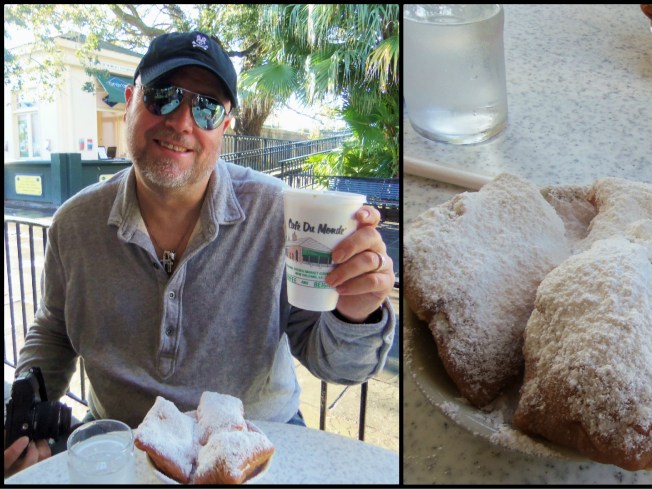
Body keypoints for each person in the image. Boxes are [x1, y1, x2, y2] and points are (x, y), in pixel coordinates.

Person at [13, 31, 396, 452]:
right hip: (122, 443)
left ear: (225, 127)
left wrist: (356, 314)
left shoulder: (277, 214)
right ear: (130, 101)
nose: (181, 121)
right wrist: (23, 419)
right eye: (163, 96)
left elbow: (339, 365)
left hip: (257, 443)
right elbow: (54, 329)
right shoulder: (75, 224)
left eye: (208, 108)